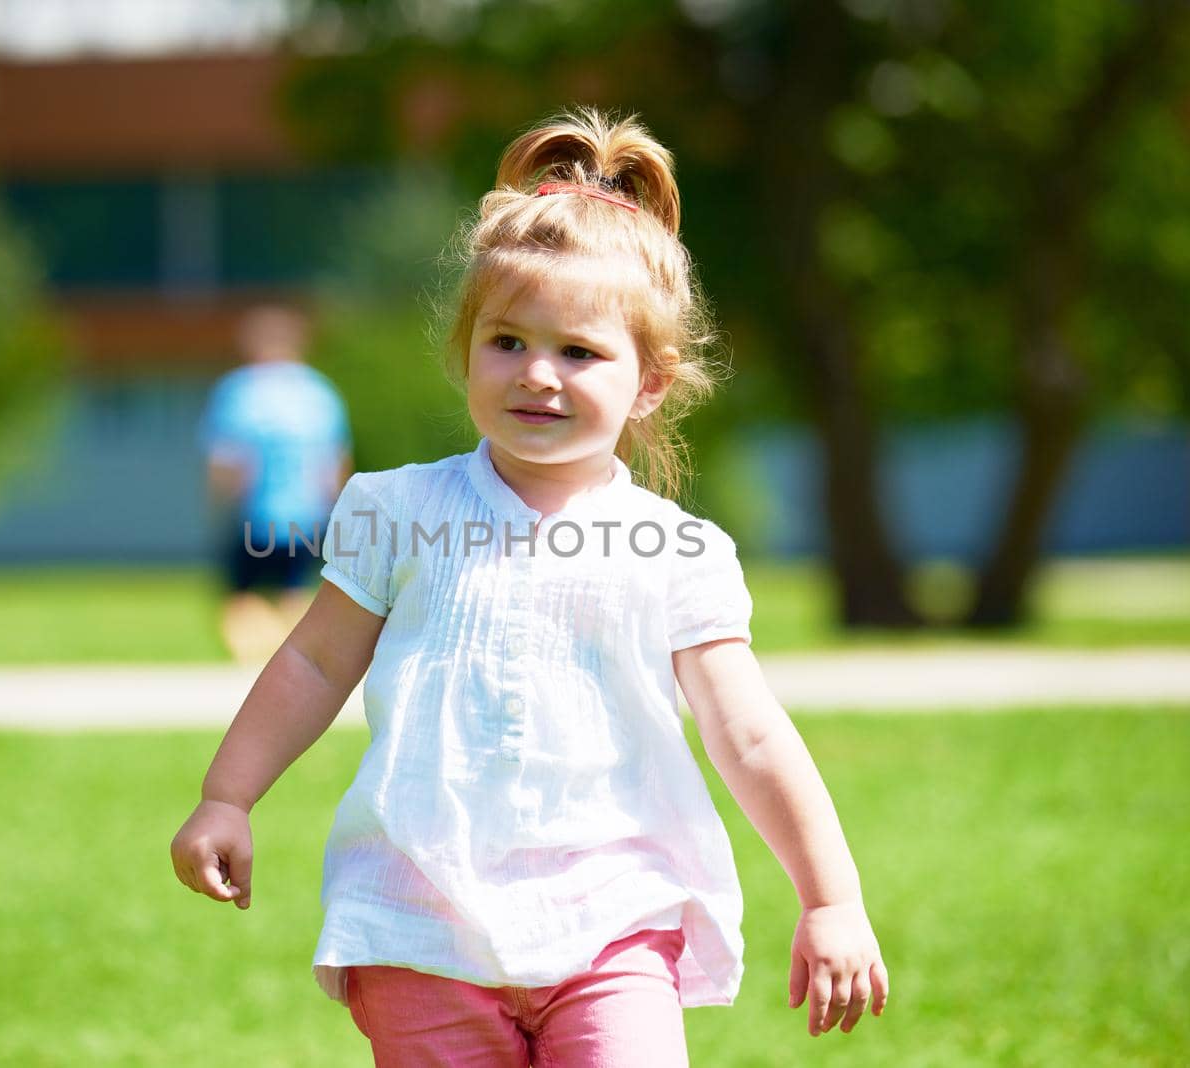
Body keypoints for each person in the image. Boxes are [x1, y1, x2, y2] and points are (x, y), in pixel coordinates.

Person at [171, 107, 889, 1066]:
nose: (537, 374)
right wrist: (228, 796)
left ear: (649, 384)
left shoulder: (675, 549)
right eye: (507, 340)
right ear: (466, 346)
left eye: (580, 352)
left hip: (613, 919)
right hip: (420, 924)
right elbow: (310, 661)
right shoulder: (399, 511)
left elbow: (749, 733)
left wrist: (830, 897)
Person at [196, 304, 351, 663]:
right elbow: (333, 465)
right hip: (309, 514)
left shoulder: (240, 392)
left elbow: (227, 461)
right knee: (293, 591)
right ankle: (293, 660)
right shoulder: (319, 393)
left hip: (257, 510)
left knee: (239, 596)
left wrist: (217, 504)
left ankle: (254, 664)